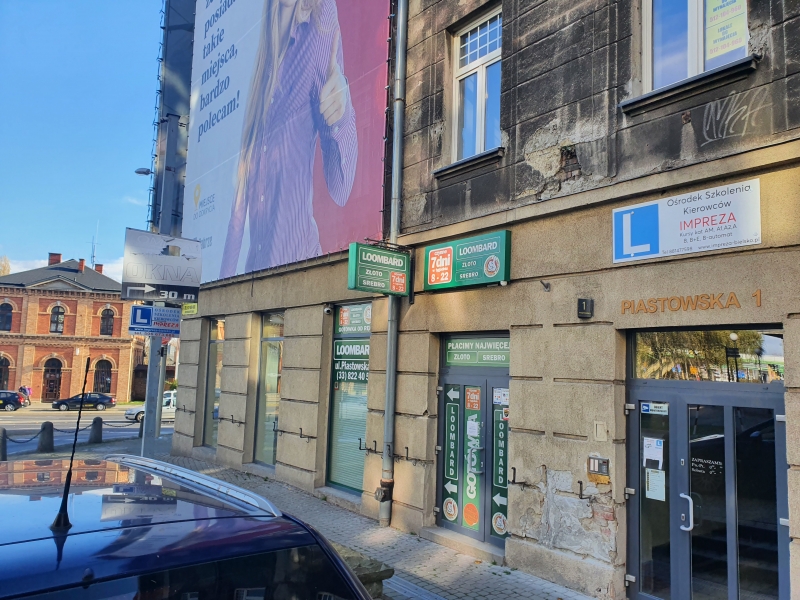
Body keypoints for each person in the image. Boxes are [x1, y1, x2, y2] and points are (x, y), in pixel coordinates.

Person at [219, 0, 357, 278]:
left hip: (299, 271)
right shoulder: (262, 72)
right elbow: (237, 213)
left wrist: (341, 114)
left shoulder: (319, 20)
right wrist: (222, 288)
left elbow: (341, 189)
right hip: (255, 274)